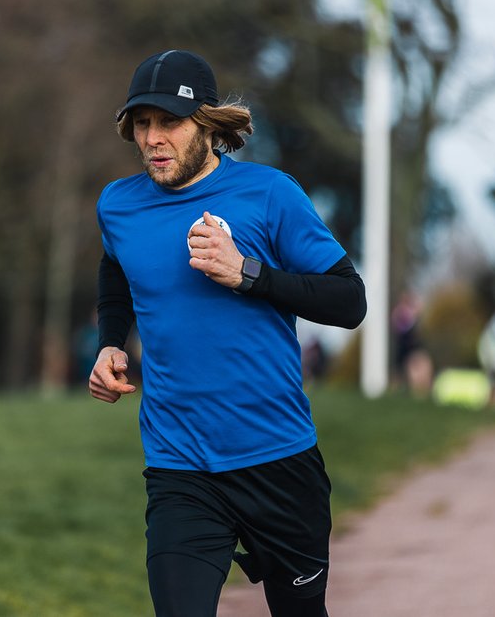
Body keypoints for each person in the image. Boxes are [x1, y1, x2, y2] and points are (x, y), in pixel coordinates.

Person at [89, 50, 366, 617]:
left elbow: (350, 301)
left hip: (279, 459)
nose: (153, 138)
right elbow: (116, 268)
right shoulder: (118, 206)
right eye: (142, 123)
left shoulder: (270, 195)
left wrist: (249, 274)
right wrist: (112, 341)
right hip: (180, 466)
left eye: (170, 121)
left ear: (208, 126)